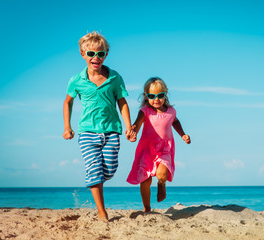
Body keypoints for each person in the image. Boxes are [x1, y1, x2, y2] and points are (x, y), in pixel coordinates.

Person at [62, 31, 133, 222]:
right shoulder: (76, 80)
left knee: (109, 170)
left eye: (100, 54)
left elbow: (122, 102)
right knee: (94, 169)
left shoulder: (115, 78)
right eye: (91, 53)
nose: (96, 58)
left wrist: (129, 127)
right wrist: (67, 127)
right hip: (87, 132)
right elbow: (67, 102)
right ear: (83, 54)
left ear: (106, 54)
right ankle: (102, 212)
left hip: (111, 131)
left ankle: (97, 177)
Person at [127, 77, 191, 212]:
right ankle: (147, 207)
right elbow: (137, 124)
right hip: (147, 150)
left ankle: (161, 185)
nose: (156, 99)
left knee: (162, 174)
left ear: (165, 94)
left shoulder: (171, 111)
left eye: (160, 95)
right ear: (146, 96)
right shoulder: (145, 111)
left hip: (164, 149)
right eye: (152, 96)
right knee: (145, 180)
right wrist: (133, 132)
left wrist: (183, 134)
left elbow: (175, 122)